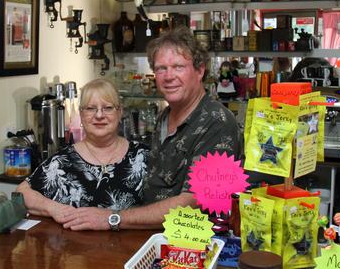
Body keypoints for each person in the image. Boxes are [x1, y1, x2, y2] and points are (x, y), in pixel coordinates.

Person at [60, 26, 241, 230]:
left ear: (199, 71)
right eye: (161, 68)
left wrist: (113, 218)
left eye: (178, 67)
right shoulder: (166, 116)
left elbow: (195, 201)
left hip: (192, 245)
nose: (168, 76)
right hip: (152, 236)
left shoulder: (219, 122)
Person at [16, 79, 148, 224]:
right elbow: (21, 193)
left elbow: (169, 208)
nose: (99, 115)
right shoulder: (62, 162)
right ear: (81, 114)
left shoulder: (143, 157)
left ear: (120, 112)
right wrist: (54, 209)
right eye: (90, 108)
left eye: (108, 108)